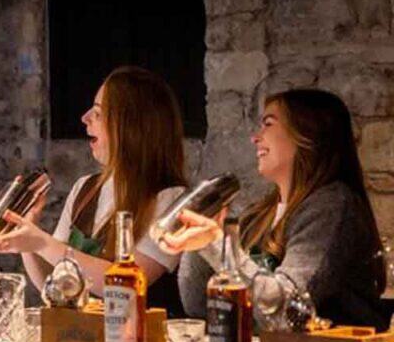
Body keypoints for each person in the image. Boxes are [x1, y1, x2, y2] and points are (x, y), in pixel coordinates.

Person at [162, 89, 386, 329]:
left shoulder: (333, 206)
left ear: (306, 135)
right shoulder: (259, 214)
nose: (255, 138)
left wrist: (218, 246)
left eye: (268, 124)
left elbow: (289, 312)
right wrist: (201, 247)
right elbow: (198, 306)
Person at [0, 66, 188, 314]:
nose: (85, 118)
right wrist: (28, 243)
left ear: (131, 127)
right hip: (83, 339)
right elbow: (54, 283)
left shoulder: (170, 199)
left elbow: (127, 287)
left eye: (97, 114)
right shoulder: (85, 188)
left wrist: (41, 242)